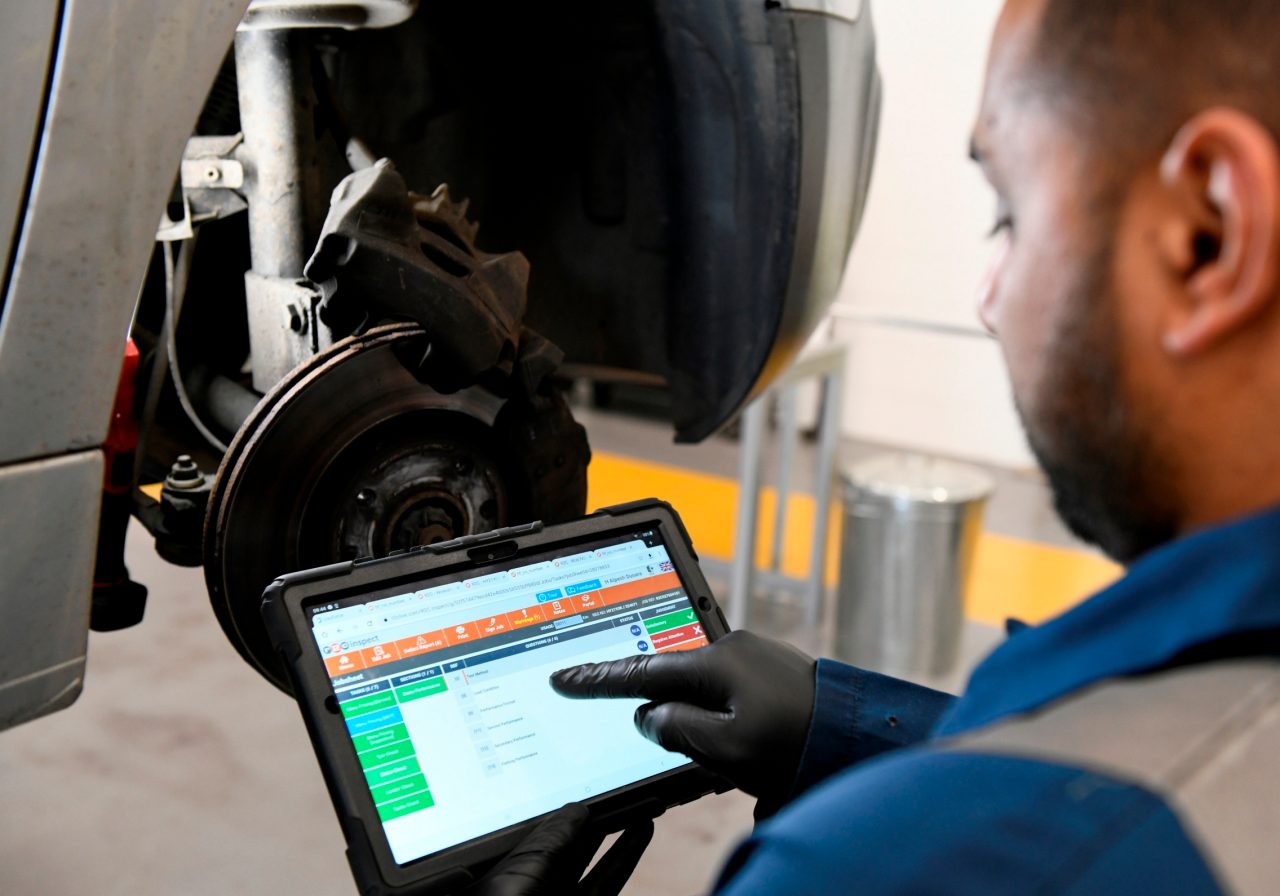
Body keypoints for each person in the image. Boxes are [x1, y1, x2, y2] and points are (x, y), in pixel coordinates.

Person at [469, 0, 1280, 892]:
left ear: (1208, 235)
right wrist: (843, 727)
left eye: (1008, 214)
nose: (988, 300)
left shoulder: (868, 868)